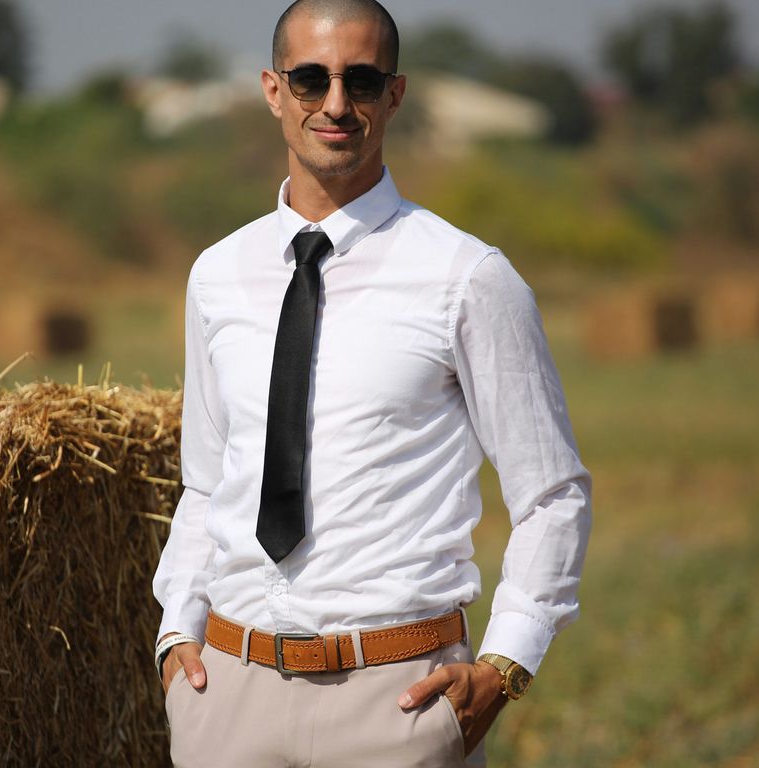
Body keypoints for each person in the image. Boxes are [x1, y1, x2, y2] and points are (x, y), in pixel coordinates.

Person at [151, 1, 591, 765]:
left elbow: (553, 495)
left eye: (360, 80)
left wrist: (504, 665)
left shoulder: (468, 277)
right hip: (224, 698)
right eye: (310, 78)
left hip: (400, 701)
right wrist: (175, 632)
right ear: (272, 89)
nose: (334, 103)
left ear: (394, 95)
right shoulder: (217, 274)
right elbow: (206, 481)